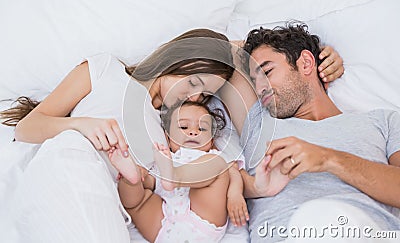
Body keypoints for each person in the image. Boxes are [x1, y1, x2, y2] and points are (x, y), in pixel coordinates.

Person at [0, 27, 343, 242]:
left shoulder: (176, 130)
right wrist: (82, 126)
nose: (191, 98)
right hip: (69, 166)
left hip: (120, 209)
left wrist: (319, 54)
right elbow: (27, 127)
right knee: (73, 149)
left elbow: (254, 54)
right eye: (193, 84)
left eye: (202, 97)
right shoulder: (105, 72)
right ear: (177, 58)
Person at [222, 22, 400, 242]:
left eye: (267, 71)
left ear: (305, 63)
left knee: (321, 218)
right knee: (314, 219)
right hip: (291, 234)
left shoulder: (383, 122)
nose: (260, 88)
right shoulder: (259, 122)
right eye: (255, 80)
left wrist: (328, 159)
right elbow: (209, 50)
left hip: (368, 231)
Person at [108, 100, 248, 242]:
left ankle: (174, 176)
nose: (193, 132)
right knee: (137, 203)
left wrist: (235, 195)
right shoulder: (165, 160)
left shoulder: (213, 157)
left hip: (202, 220)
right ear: (168, 138)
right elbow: (151, 183)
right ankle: (131, 179)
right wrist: (142, 176)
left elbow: (235, 174)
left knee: (217, 165)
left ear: (211, 141)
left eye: (202, 129)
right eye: (184, 126)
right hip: (165, 224)